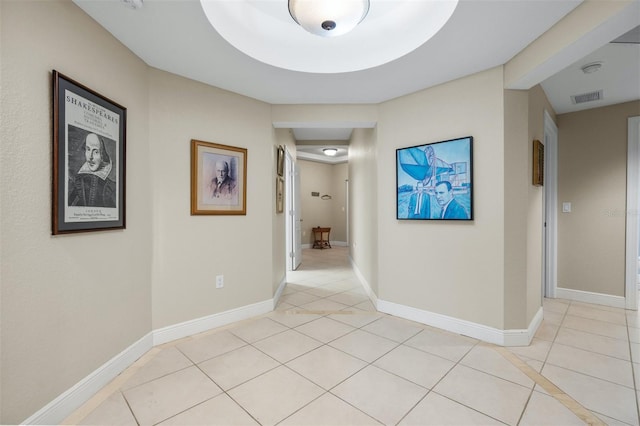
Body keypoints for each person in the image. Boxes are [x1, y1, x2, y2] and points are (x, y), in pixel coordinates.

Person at [68, 133, 116, 208]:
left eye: (96, 151)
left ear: (102, 155)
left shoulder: (111, 187)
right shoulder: (76, 182)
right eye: (88, 149)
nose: (90, 157)